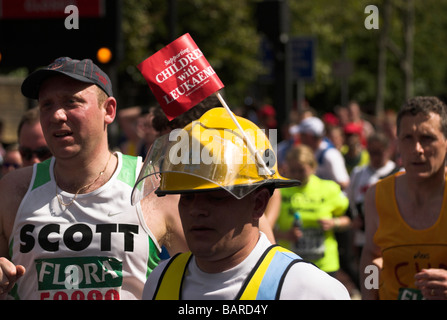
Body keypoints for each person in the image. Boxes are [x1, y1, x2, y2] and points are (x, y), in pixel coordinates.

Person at [0, 57, 187, 300]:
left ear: (108, 110)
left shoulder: (151, 185)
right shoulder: (14, 189)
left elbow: (210, 271)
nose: (57, 114)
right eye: (47, 104)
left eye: (71, 102)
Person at [137, 107, 350, 300]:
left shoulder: (309, 290)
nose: (196, 210)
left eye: (216, 196)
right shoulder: (159, 280)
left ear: (258, 203)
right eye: (187, 196)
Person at [360, 96, 447, 300]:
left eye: (427, 138)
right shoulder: (377, 195)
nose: (417, 149)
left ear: (445, 141)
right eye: (408, 138)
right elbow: (372, 254)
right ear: (397, 143)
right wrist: (369, 294)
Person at [273, 145, 350, 277]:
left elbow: (348, 221)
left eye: (301, 170)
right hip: (290, 264)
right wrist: (284, 235)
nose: (297, 175)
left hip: (324, 264)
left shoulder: (329, 188)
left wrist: (334, 223)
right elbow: (263, 226)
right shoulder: (278, 191)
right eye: (293, 170)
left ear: (313, 167)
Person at [296, 116, 350, 190]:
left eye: (302, 135)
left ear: (309, 136)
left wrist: (321, 188)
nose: (299, 138)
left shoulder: (331, 155)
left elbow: (344, 184)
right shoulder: (309, 152)